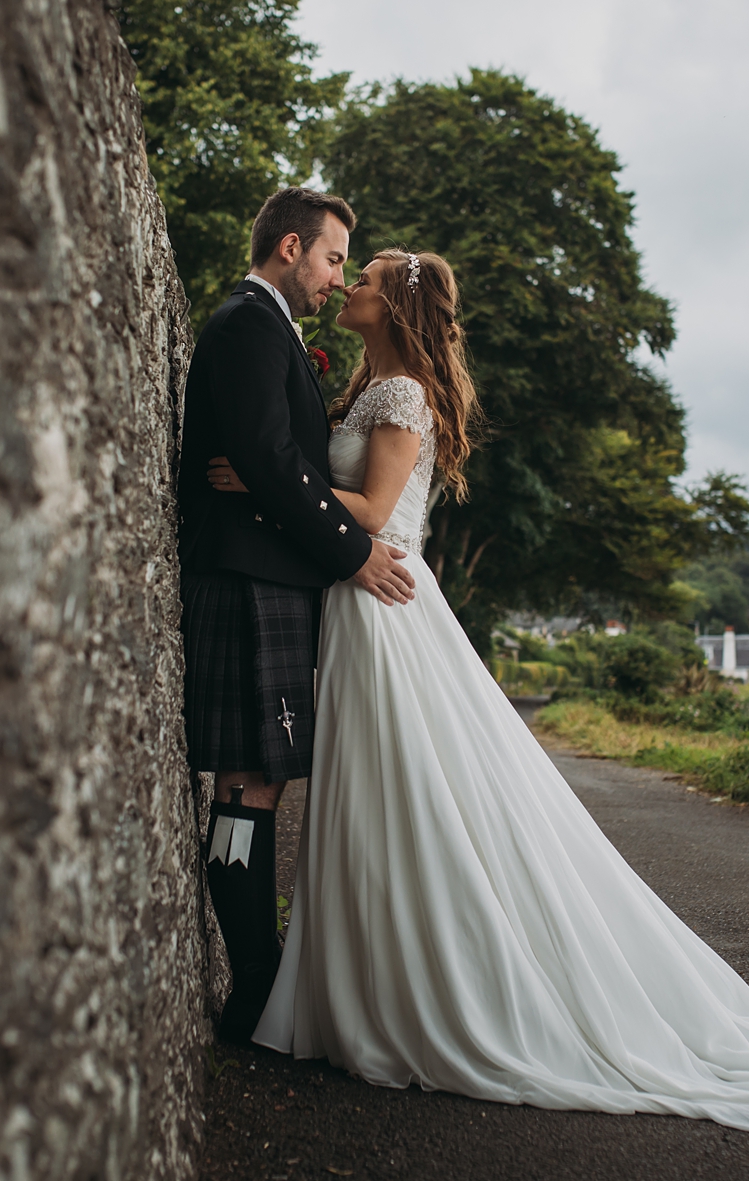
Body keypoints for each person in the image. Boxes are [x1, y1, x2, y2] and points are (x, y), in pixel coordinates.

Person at [207, 249, 749, 1142]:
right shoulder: (375, 389)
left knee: (409, 794)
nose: (350, 284)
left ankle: (418, 986)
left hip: (385, 606)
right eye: (347, 269)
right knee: (383, 797)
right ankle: (364, 982)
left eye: (364, 276)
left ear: (396, 304)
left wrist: (260, 480)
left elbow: (370, 510)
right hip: (360, 607)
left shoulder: (402, 399)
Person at [177, 187, 417, 1043]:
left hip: (266, 580)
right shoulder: (248, 322)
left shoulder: (270, 327)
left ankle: (261, 983)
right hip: (246, 580)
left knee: (256, 781)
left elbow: (277, 462)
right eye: (331, 258)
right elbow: (269, 459)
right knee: (248, 782)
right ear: (289, 247)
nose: (335, 276)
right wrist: (354, 556)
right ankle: (256, 990)